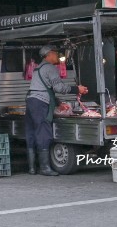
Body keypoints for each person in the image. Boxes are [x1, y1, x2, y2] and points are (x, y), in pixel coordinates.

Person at [23, 45, 88, 176]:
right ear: (49, 54)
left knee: (31, 132)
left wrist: (58, 103)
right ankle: (44, 168)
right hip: (40, 103)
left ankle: (32, 168)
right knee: (43, 132)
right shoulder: (50, 68)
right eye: (56, 53)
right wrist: (77, 89)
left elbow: (45, 89)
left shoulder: (38, 68)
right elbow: (59, 88)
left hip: (31, 101)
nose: (58, 55)